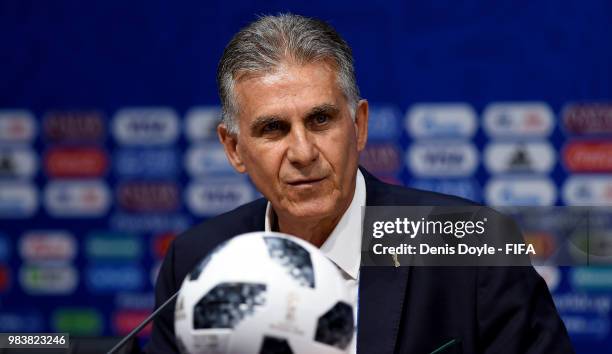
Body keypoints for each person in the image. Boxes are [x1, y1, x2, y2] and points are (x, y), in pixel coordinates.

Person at [146, 14, 574, 354]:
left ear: (359, 126)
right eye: (273, 128)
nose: (303, 152)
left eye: (320, 120)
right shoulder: (197, 262)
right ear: (234, 148)